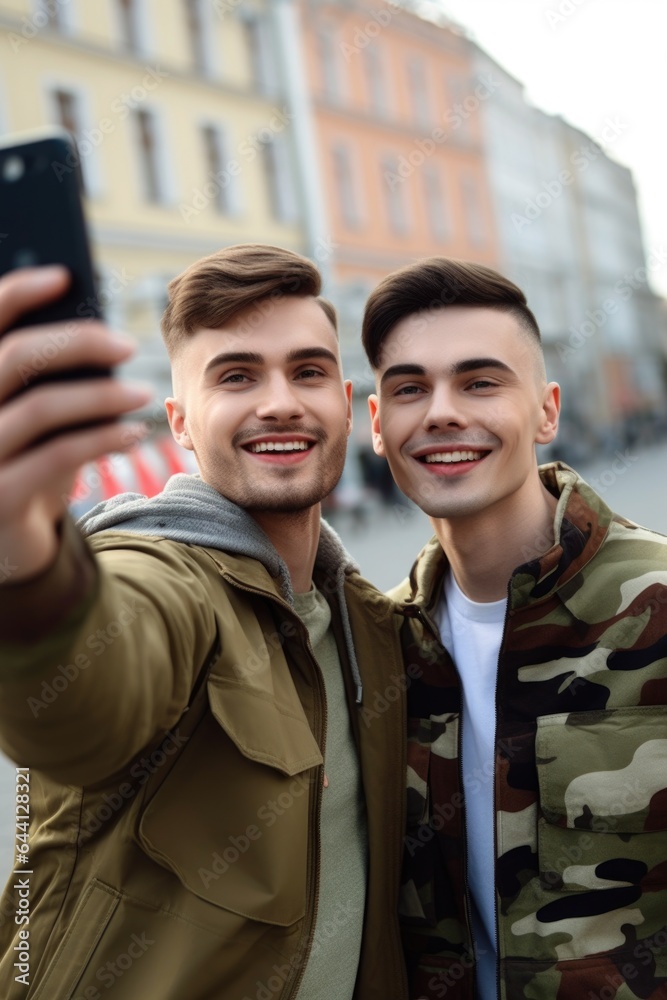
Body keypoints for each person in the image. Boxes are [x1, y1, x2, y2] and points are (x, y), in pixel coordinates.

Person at [0, 245, 409, 999]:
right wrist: (26, 559)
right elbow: (80, 701)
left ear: (347, 406)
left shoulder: (369, 626)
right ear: (180, 423)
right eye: (236, 375)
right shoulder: (160, 575)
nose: (280, 400)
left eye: (308, 371)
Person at [361, 257, 667, 1000]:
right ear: (376, 425)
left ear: (545, 410)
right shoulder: (380, 645)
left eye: (479, 382)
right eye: (409, 388)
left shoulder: (656, 600)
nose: (440, 412)